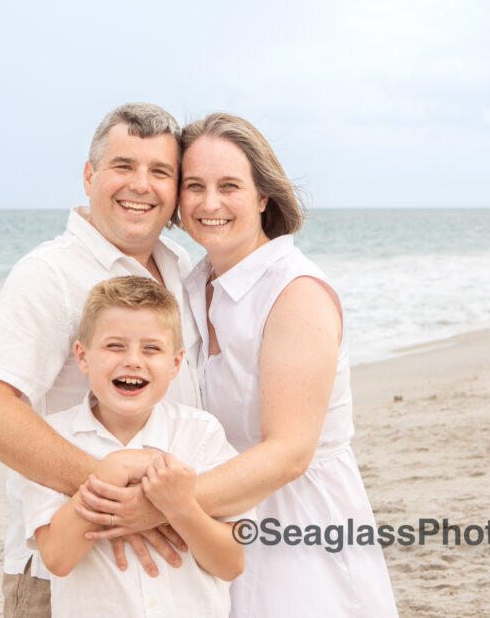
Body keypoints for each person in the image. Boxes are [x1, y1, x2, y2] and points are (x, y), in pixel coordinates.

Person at [77, 113, 397, 616]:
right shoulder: (186, 281)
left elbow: (290, 453)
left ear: (263, 196)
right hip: (214, 525)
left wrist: (164, 506)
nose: (209, 203)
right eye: (194, 186)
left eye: (229, 186)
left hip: (296, 520)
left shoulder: (295, 292)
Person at [0, 103, 203, 617]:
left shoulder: (181, 268)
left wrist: (170, 507)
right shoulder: (50, 273)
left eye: (160, 172)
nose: (141, 184)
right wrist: (118, 501)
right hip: (67, 574)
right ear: (89, 176)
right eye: (123, 166)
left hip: (170, 573)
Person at [20, 276, 250, 617]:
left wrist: (180, 507)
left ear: (175, 364)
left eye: (151, 348)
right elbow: (57, 557)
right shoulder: (53, 438)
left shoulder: (200, 434)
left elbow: (231, 563)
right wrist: (116, 468)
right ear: (83, 356)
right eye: (115, 346)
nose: (133, 361)